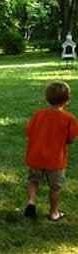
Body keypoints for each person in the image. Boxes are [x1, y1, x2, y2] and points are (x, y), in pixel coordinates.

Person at [24, 81, 78, 221]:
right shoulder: (69, 119)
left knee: (33, 181)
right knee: (55, 188)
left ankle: (31, 202)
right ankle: (54, 213)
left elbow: (29, 132)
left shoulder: (38, 114)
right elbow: (70, 139)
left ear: (46, 98)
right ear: (67, 100)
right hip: (55, 160)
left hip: (35, 157)